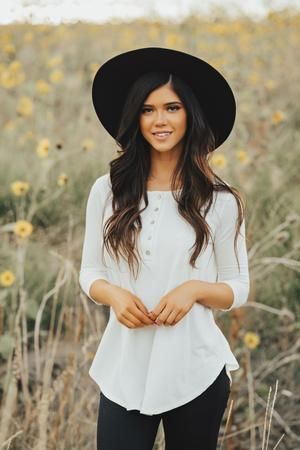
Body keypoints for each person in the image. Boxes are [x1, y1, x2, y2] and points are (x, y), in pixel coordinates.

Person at [79, 47, 250, 450]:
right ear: (135, 119)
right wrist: (114, 295)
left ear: (190, 115)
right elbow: (90, 272)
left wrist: (193, 290)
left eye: (171, 107)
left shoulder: (221, 200)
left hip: (195, 370)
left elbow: (237, 286)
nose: (159, 120)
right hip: (125, 368)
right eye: (147, 109)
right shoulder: (108, 191)